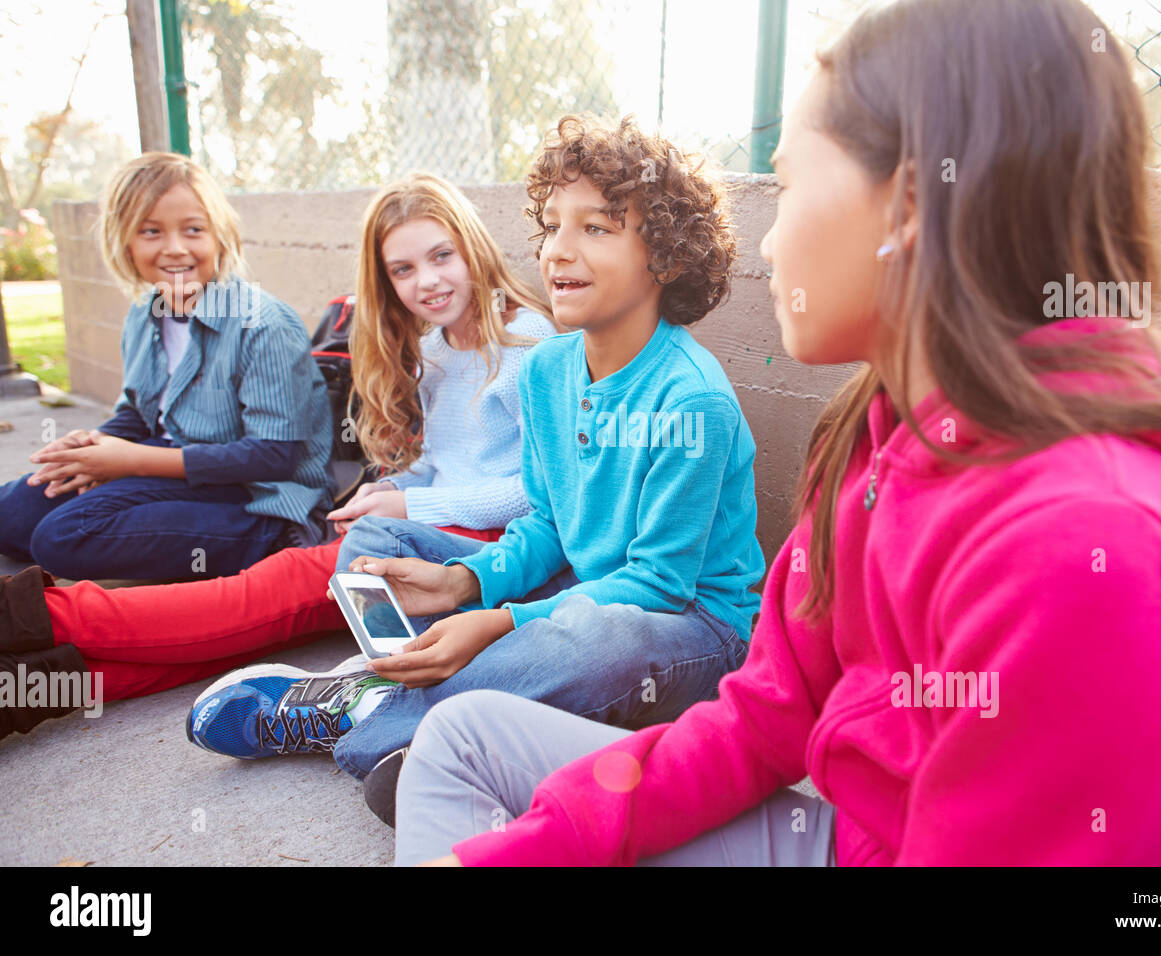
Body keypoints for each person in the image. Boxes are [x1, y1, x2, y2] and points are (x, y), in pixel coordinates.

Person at [391, 0, 1161, 866]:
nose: (773, 243)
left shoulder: (1089, 551)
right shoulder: (873, 432)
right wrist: (522, 848)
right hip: (853, 838)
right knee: (464, 739)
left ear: (905, 205)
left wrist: (509, 623)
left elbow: (659, 592)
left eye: (786, 188)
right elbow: (763, 720)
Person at [187, 116, 766, 829]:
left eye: (597, 228)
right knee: (375, 548)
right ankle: (430, 706)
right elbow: (550, 523)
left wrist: (497, 621)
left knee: (589, 639)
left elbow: (656, 584)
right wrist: (468, 581)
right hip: (581, 586)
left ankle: (367, 716)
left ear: (668, 259)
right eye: (552, 225)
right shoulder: (552, 366)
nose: (558, 250)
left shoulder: (690, 398)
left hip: (689, 627)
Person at [0, 172, 553, 740]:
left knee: (259, 597)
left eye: (442, 256)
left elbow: (538, 495)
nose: (428, 281)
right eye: (403, 270)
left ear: (473, 248)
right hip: (424, 527)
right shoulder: (436, 346)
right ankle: (32, 687)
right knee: (258, 627)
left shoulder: (529, 345)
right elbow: (441, 461)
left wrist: (412, 508)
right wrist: (390, 490)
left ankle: (24, 616)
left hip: (483, 547)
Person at [0, 151, 331, 581]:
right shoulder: (144, 315)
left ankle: (259, 544)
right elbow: (139, 415)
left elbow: (275, 457)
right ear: (126, 244)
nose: (175, 249)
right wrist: (97, 444)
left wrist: (128, 462)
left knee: (61, 537)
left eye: (193, 230)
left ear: (220, 236)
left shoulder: (262, 323)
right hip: (174, 469)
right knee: (11, 515)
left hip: (256, 497)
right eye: (151, 231)